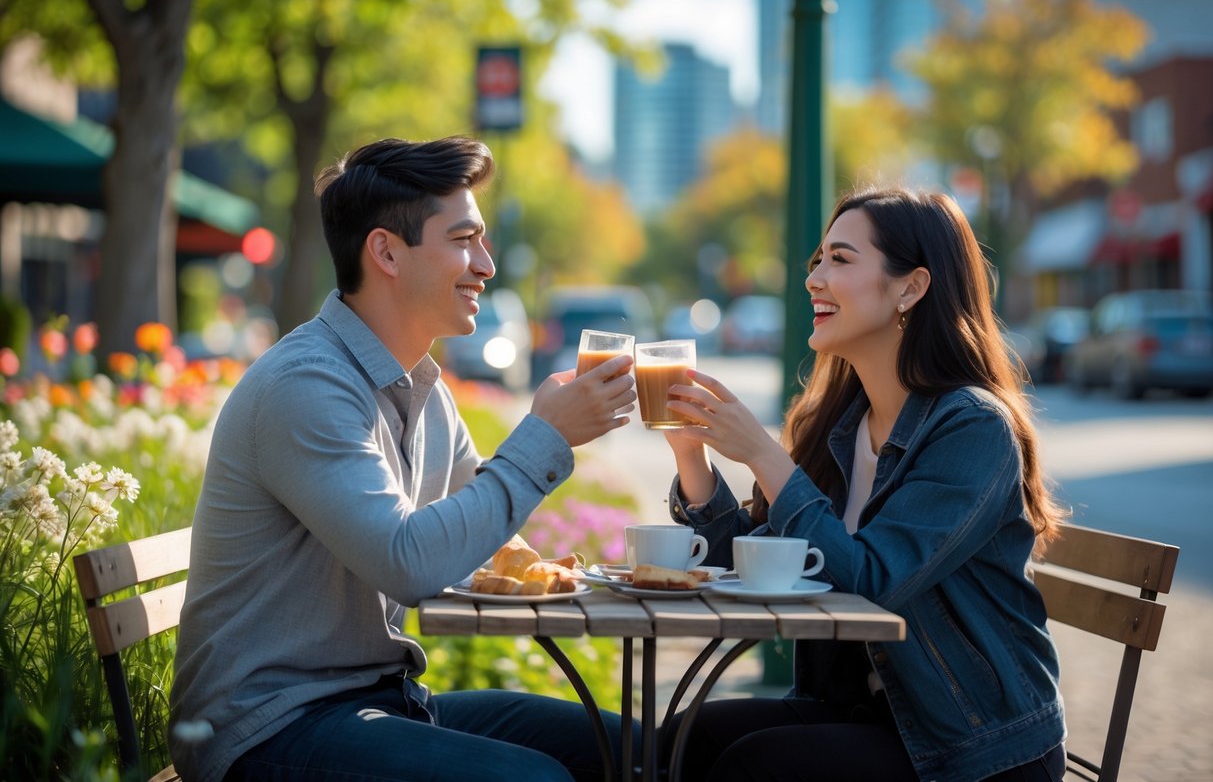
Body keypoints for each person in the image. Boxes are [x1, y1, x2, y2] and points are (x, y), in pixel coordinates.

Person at [168, 136, 637, 782]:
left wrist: (555, 559)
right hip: (266, 727)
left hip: (377, 702)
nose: (486, 265)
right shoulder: (307, 386)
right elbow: (408, 562)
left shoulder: (420, 389)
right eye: (464, 240)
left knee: (627, 749)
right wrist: (545, 438)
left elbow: (478, 532)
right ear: (386, 251)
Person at [660, 187, 1068, 782]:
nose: (814, 279)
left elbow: (873, 584)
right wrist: (691, 455)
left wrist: (763, 455)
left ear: (911, 287)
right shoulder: (838, 423)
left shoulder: (973, 428)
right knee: (683, 740)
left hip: (974, 747)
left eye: (841, 260)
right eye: (817, 261)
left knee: (755, 767)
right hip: (862, 714)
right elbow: (749, 569)